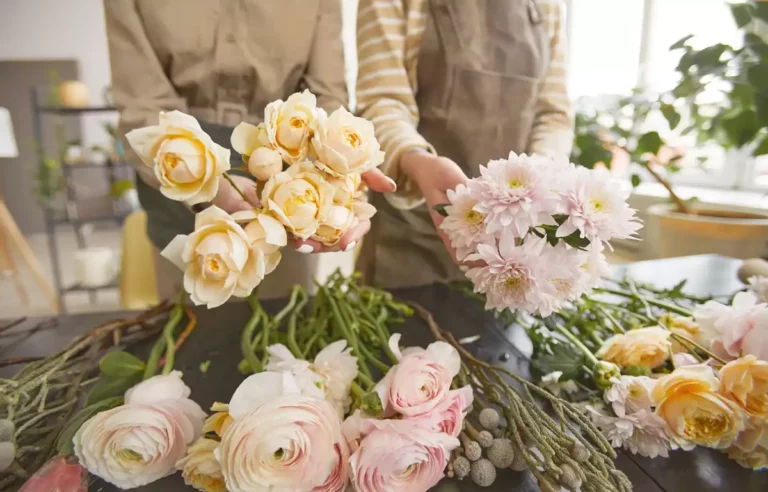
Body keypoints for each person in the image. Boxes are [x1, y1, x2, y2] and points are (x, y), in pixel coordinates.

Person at [105, 0, 394, 299]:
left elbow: (326, 94)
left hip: (286, 192)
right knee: (190, 328)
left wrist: (340, 161)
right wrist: (209, 185)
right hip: (175, 178)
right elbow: (142, 104)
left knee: (281, 323)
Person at [356, 0, 574, 288]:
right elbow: (381, 101)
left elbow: (553, 113)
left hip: (514, 243)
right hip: (411, 238)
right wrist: (419, 161)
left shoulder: (546, 6)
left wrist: (538, 183)